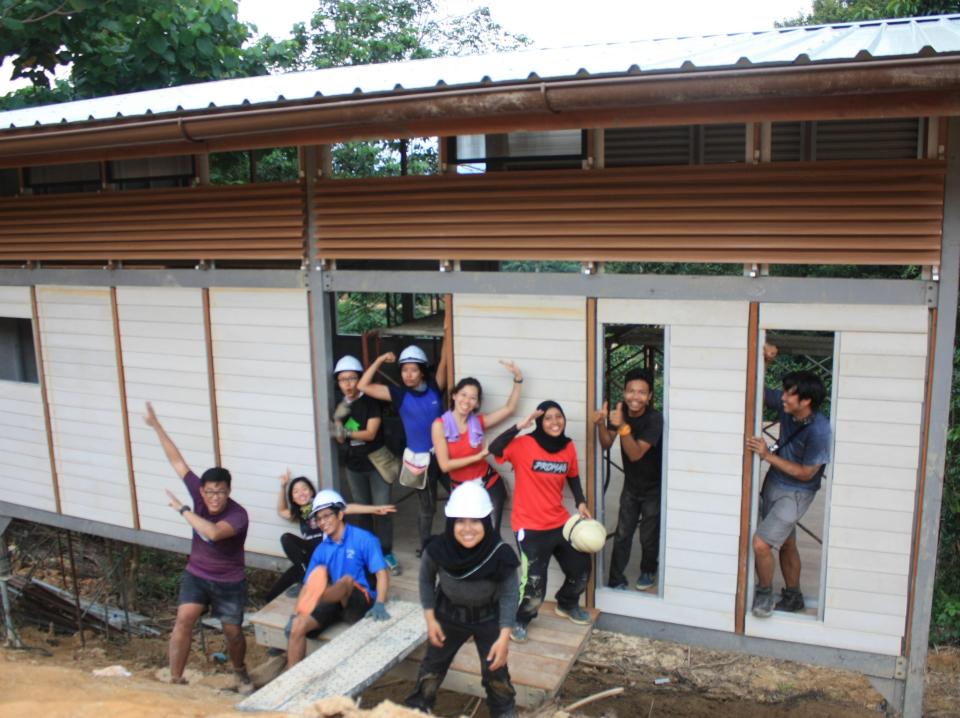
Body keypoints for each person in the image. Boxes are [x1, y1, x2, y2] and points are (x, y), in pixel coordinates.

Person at [143, 402, 252, 694]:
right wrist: (156, 426)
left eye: (221, 492)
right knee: (184, 619)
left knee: (232, 632)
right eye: (210, 491)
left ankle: (239, 670)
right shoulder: (200, 495)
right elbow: (177, 461)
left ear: (229, 492)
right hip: (197, 574)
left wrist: (183, 510)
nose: (214, 497)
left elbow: (214, 533)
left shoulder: (238, 515)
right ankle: (176, 678)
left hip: (229, 582)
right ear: (202, 490)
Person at [405, 482, 520, 718]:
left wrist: (504, 637)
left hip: (489, 618)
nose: (468, 528)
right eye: (460, 521)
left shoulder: (500, 554)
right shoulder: (438, 549)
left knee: (496, 676)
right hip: (448, 616)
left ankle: (504, 713)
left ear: (486, 522)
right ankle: (417, 710)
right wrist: (430, 618)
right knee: (431, 669)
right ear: (451, 523)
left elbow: (510, 595)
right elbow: (426, 580)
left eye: (475, 521)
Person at [489, 401, 592, 642]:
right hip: (530, 526)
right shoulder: (523, 444)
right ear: (539, 422)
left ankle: (566, 603)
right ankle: (521, 618)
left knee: (582, 569)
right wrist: (519, 426)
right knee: (535, 582)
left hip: (559, 522)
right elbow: (494, 448)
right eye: (548, 418)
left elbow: (573, 475)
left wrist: (581, 502)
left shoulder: (567, 447)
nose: (555, 422)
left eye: (559, 417)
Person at [747, 345, 832, 618]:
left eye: (788, 393)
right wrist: (766, 362)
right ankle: (793, 596)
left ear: (805, 400)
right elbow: (758, 392)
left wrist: (766, 456)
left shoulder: (820, 430)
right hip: (774, 484)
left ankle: (764, 594)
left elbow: (808, 473)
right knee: (787, 543)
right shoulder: (788, 409)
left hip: (796, 493)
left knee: (761, 544)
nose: (782, 397)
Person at [358, 343, 447, 555]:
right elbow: (363, 385)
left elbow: (445, 360)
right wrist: (379, 360)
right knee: (427, 508)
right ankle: (425, 546)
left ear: (422, 371)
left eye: (413, 369)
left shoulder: (434, 386)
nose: (408, 375)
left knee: (458, 494)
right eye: (404, 370)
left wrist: (447, 328)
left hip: (443, 455)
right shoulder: (398, 394)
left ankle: (455, 538)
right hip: (418, 461)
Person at [286, 489, 391, 668]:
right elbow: (307, 584)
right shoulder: (321, 549)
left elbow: (382, 573)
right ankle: (291, 679)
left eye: (327, 516)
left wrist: (380, 603)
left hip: (361, 601)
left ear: (340, 514)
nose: (322, 522)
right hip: (335, 600)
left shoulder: (364, 539)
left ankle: (319, 596)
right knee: (297, 626)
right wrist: (297, 614)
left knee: (346, 580)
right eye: (318, 519)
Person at [264, 470, 395, 602]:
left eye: (304, 489)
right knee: (286, 539)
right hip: (309, 557)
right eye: (296, 491)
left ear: (311, 491)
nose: (301, 493)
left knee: (297, 571)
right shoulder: (298, 513)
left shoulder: (322, 506)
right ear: (293, 498)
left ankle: (305, 577)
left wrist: (375, 509)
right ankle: (275, 594)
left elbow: (347, 508)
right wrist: (283, 486)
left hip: (325, 552)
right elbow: (281, 511)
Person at [431, 360, 523, 531]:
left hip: (490, 483)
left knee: (491, 534)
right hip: (463, 490)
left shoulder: (478, 422)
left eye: (473, 398)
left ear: (477, 403)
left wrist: (518, 378)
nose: (467, 400)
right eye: (463, 395)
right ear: (454, 395)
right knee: (468, 536)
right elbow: (444, 466)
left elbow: (509, 408)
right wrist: (479, 456)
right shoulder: (440, 425)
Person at [594, 368, 663, 591]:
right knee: (623, 534)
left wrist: (623, 427)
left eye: (642, 392)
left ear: (650, 396)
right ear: (624, 392)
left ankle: (648, 570)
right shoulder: (620, 412)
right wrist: (601, 424)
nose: (636, 397)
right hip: (632, 486)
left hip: (654, 486)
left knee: (648, 535)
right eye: (631, 391)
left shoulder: (654, 419)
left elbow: (635, 454)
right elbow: (605, 443)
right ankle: (616, 578)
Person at [332, 354, 401, 575]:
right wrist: (337, 424)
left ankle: (386, 551)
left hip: (376, 463)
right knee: (362, 511)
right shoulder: (341, 405)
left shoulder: (370, 401)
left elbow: (371, 433)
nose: (348, 384)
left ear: (359, 378)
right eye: (343, 380)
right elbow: (339, 438)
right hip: (354, 465)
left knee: (382, 509)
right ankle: (367, 552)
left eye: (352, 378)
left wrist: (345, 431)